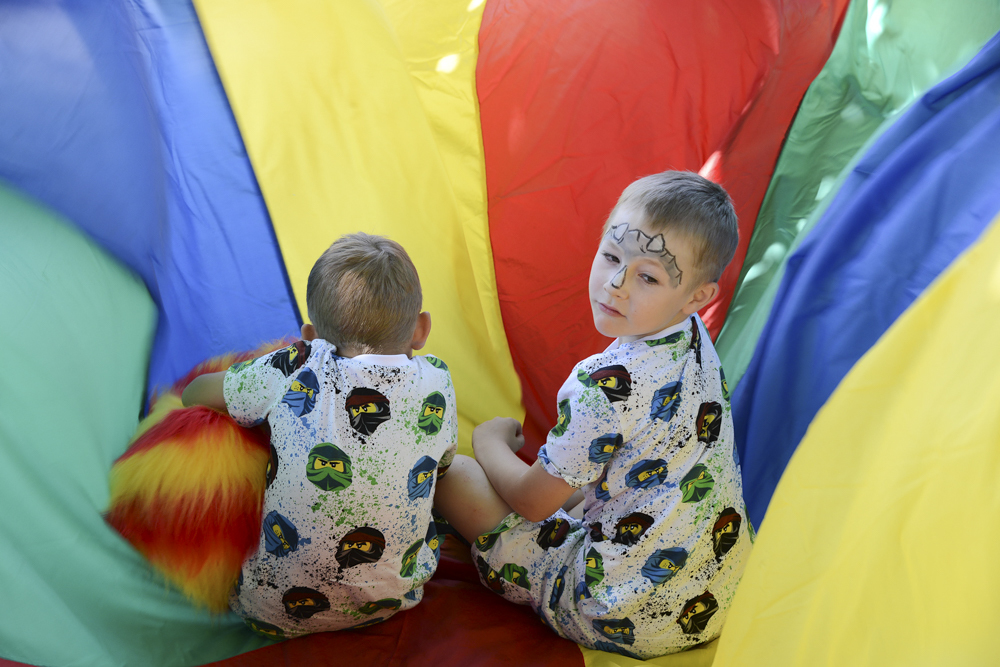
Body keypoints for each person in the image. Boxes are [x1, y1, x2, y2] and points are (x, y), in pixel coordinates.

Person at [435, 171, 752, 659]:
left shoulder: (603, 383)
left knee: (456, 476)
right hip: (719, 594)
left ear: (696, 297)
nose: (616, 285)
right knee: (578, 489)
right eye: (612, 257)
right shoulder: (694, 336)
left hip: (616, 612)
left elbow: (532, 505)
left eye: (648, 277)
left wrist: (488, 442)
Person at [182, 233, 456, 638]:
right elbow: (443, 465)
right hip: (393, 601)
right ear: (421, 329)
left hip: (268, 611)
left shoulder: (298, 363)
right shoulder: (438, 381)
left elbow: (195, 394)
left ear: (310, 336)